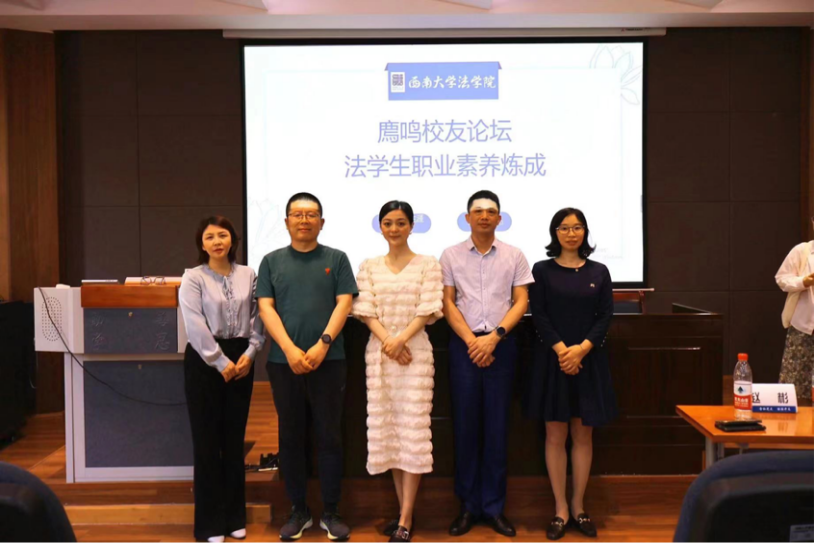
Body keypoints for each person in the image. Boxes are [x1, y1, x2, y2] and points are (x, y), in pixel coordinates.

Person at [257, 193, 358, 541]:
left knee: (330, 436)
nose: (304, 220)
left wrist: (322, 344)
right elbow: (266, 308)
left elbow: (344, 303)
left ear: (322, 222)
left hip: (329, 361)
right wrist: (289, 349)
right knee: (290, 437)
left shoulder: (337, 259)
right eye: (297, 214)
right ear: (286, 222)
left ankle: (331, 511)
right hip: (283, 363)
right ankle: (298, 510)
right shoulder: (271, 261)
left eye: (311, 214)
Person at [440, 190, 533, 538]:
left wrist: (494, 338)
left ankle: (494, 508)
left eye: (490, 211)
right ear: (467, 218)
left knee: (497, 428)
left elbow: (521, 300)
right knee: (465, 428)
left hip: (502, 346)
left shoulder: (514, 255)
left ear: (499, 218)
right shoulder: (450, 255)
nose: (483, 216)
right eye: (477, 211)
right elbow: (448, 302)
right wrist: (472, 341)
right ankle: (467, 507)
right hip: (464, 347)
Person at [352, 201, 444, 543]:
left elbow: (429, 308)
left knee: (413, 432)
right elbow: (365, 309)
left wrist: (401, 339)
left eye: (401, 222)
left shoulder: (428, 264)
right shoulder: (369, 266)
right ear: (380, 226)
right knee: (388, 432)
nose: (394, 228)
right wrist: (389, 341)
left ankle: (406, 517)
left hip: (415, 354)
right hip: (381, 355)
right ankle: (403, 511)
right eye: (388, 222)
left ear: (411, 226)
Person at [526, 207, 617, 540]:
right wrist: (564, 350)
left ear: (585, 232)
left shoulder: (599, 271)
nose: (571, 233)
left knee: (583, 435)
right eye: (564, 228)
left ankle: (579, 506)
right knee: (554, 435)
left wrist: (581, 350)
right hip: (554, 360)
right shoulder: (542, 270)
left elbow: (605, 316)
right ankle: (560, 509)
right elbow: (539, 315)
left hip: (588, 361)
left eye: (577, 227)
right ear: (555, 233)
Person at [179, 216, 265, 543]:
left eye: (222, 235)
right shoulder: (193, 277)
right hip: (205, 361)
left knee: (233, 440)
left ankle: (233, 518)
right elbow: (194, 323)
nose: (217, 241)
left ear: (232, 240)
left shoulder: (249, 275)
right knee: (206, 442)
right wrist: (219, 361)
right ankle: (209, 524)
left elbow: (259, 315)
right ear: (202, 244)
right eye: (210, 237)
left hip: (242, 358)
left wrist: (251, 352)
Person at [776, 220, 814, 402]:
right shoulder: (802, 251)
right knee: (795, 388)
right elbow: (781, 279)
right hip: (803, 328)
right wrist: (803, 281)